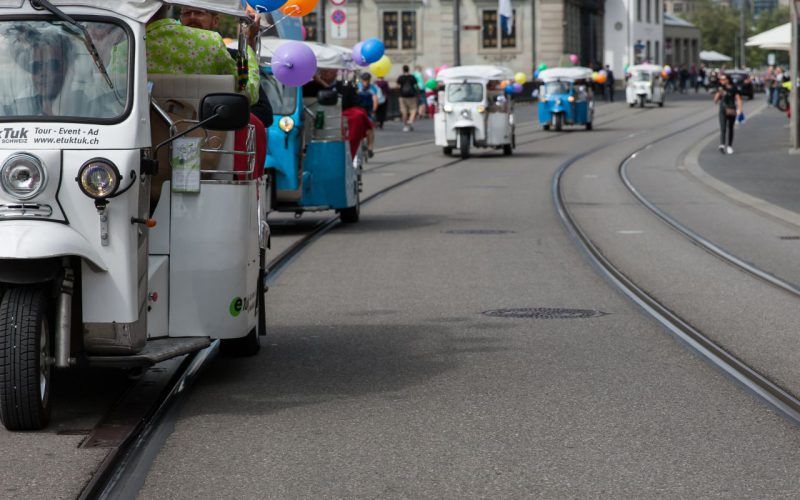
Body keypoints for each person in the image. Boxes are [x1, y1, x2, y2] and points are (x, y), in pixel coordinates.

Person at [146, 6, 258, 104]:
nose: (192, 17)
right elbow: (246, 91)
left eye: (199, 13)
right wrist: (248, 45)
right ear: (168, 5)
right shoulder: (213, 41)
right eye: (186, 13)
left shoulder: (132, 43)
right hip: (201, 126)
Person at [713, 73, 743, 155]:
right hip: (722, 110)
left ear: (728, 80)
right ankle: (722, 145)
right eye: (720, 79)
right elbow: (715, 101)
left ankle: (729, 146)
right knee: (723, 128)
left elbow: (738, 99)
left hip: (732, 110)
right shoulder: (720, 88)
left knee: (730, 128)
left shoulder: (734, 88)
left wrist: (740, 110)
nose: (721, 81)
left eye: (723, 79)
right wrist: (718, 93)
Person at [356, 73, 379, 156]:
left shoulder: (372, 88)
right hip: (358, 110)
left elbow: (375, 99)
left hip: (368, 111)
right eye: (364, 80)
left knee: (370, 130)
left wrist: (374, 110)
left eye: (367, 80)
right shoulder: (357, 86)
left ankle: (370, 148)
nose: (365, 82)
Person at [397, 65, 420, 131]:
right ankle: (410, 120)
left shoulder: (400, 77)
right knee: (413, 109)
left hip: (402, 96)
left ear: (403, 70)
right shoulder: (412, 77)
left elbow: (398, 86)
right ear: (408, 70)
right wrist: (417, 91)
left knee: (404, 111)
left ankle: (405, 126)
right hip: (411, 96)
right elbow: (416, 86)